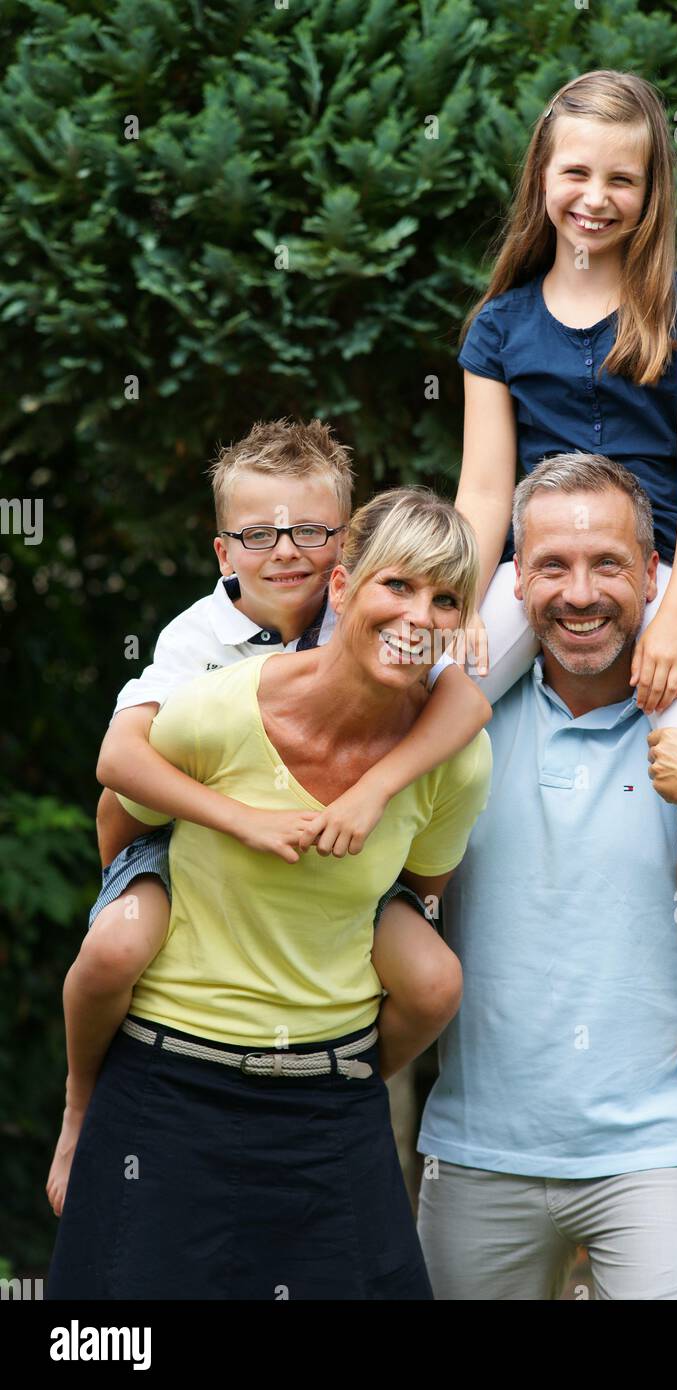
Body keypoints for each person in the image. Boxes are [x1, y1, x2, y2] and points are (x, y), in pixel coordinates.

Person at [46, 485, 492, 1300]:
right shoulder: (211, 698)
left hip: (330, 1111)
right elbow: (121, 803)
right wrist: (151, 885)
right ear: (344, 586)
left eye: (447, 599)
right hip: (166, 1094)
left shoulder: (452, 756)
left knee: (437, 976)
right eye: (398, 585)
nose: (421, 616)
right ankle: (76, 1116)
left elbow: (422, 882)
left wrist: (344, 1064)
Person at [417, 454, 677, 1301]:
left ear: (654, 576)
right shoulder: (456, 721)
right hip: (476, 1154)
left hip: (668, 1159)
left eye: (607, 563)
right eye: (553, 567)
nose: (579, 594)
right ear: (513, 580)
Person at [455, 68, 677, 1168]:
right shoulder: (496, 327)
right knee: (430, 694)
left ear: (650, 190)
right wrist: (453, 615)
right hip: (544, 570)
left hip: (675, 571)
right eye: (574, 171)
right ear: (542, 176)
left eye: (619, 178)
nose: (594, 196)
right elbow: (484, 496)